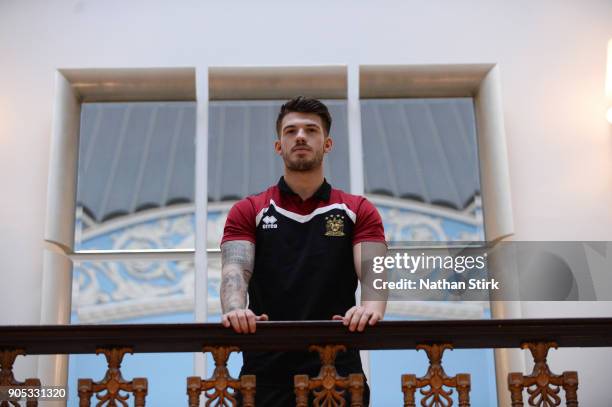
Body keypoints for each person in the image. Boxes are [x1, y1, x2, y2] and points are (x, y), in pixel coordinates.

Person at [220, 96, 387, 406]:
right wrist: (234, 309)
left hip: (338, 368)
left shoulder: (357, 209)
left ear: (327, 144)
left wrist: (371, 308)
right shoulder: (249, 209)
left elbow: (373, 272)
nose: (300, 136)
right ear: (278, 146)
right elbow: (234, 271)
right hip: (264, 370)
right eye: (291, 131)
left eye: (311, 130)